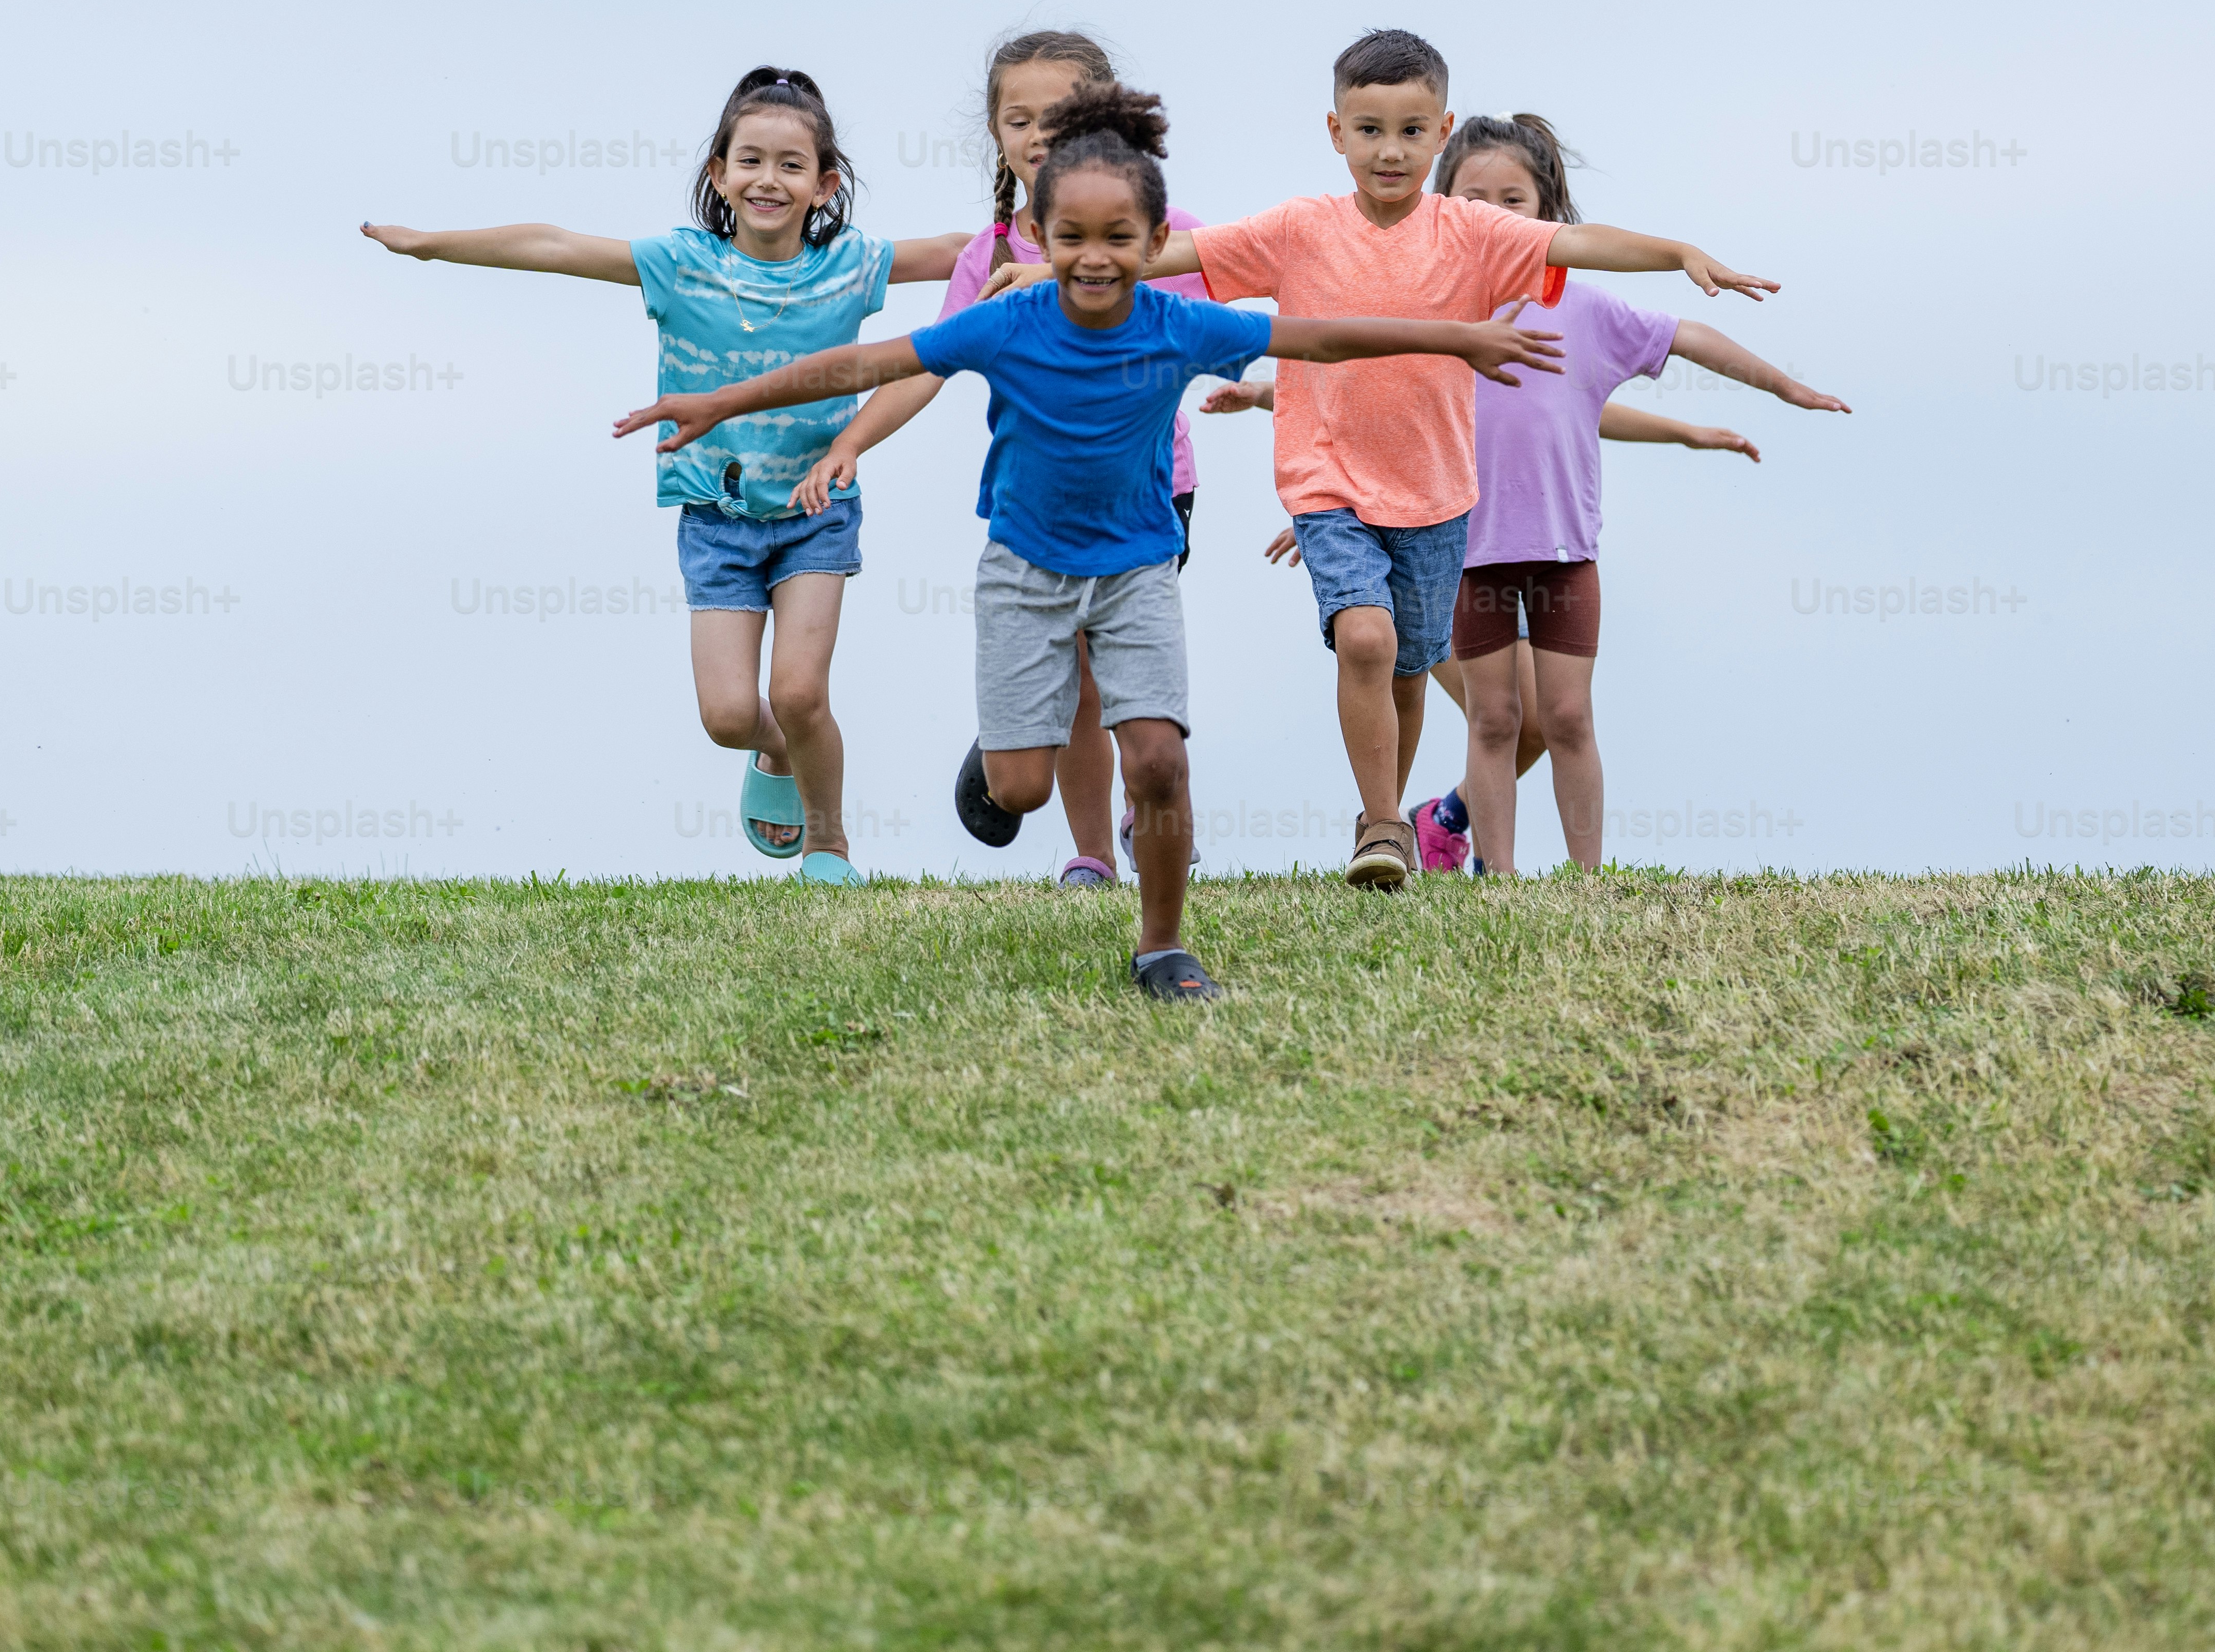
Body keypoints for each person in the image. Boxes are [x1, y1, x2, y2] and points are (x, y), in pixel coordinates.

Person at [617, 86, 1559, 994]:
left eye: (1118, 240)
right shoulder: (1009, 320)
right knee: (1020, 790)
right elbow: (866, 362)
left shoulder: (1179, 322)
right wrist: (721, 400)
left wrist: (1456, 338)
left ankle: (1162, 948)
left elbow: (1316, 338)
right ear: (1043, 239)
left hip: (1136, 572)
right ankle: (1004, 750)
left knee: (1156, 760)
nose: (1094, 259)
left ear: (1155, 245)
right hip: (1024, 577)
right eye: (1070, 238)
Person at [1110, 28, 1781, 890]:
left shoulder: (1470, 231)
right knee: (1366, 637)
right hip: (1327, 481)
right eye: (1370, 130)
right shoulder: (1298, 229)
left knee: (1412, 665)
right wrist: (1066, 270)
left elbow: (1582, 245)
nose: (1391, 151)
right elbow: (1184, 256)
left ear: (1442, 128)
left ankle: (1394, 817)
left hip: (1435, 495)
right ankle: (1383, 822)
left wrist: (1677, 252)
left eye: (1413, 131)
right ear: (1335, 131)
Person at [362, 65, 965, 880]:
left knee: (797, 689)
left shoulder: (854, 265)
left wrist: (1077, 226)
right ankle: (783, 751)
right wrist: (433, 247)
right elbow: (556, 245)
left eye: (792, 165)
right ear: (719, 173)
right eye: (750, 160)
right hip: (716, 519)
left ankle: (829, 848)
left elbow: (970, 253)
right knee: (727, 717)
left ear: (825, 185)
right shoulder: (679, 263)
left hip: (816, 509)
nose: (769, 180)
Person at [1217, 111, 1850, 874]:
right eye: (1473, 199)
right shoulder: (1434, 307)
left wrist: (1773, 390)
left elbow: (1599, 392)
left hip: (1559, 548)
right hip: (1460, 548)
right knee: (1495, 717)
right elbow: (1351, 384)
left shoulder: (1581, 311)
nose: (1489, 215)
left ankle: (1549, 867)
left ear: (1545, 214)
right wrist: (1321, 486)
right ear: (1444, 207)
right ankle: (1494, 872)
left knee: (1564, 718)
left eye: (1510, 201)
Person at [807, 28, 1219, 888]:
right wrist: (851, 439)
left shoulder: (1165, 234)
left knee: (1116, 669)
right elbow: (922, 368)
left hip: (1150, 495)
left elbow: (1253, 277)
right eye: (1016, 118)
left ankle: (1148, 809)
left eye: (1057, 114)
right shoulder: (989, 255)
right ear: (997, 136)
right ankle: (1091, 854)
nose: (1037, 133)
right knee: (1073, 670)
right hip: (1035, 511)